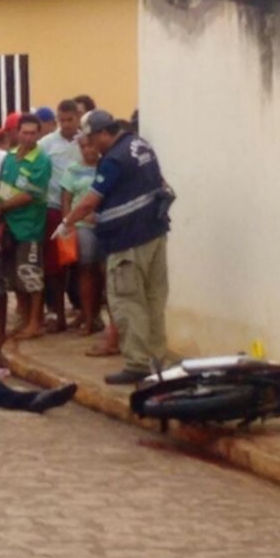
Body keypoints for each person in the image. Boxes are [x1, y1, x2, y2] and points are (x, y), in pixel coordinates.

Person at [57, 110, 175, 385]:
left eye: (90, 139)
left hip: (128, 242)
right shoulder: (140, 144)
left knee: (128, 301)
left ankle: (137, 364)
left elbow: (88, 202)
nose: (90, 146)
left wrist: (67, 222)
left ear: (102, 133)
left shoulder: (113, 160)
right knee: (153, 300)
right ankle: (156, 360)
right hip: (154, 234)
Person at [0, 114, 52, 340]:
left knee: (31, 275)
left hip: (30, 226)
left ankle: (35, 323)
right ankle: (24, 318)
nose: (28, 137)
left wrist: (1, 208)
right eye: (24, 132)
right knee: (14, 275)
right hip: (8, 225)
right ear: (17, 133)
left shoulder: (42, 161)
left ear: (38, 134)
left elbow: (30, 195)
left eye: (32, 133)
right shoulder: (9, 158)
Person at [38, 100, 82, 334]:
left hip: (83, 211)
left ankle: (87, 315)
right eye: (61, 120)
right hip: (54, 209)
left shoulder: (86, 141)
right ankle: (58, 314)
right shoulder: (46, 144)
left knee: (83, 265)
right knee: (55, 267)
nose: (65, 125)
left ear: (78, 117)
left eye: (70, 120)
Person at [61, 133, 105, 343]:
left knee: (104, 273)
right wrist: (68, 225)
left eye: (91, 145)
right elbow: (66, 200)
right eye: (84, 146)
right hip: (82, 226)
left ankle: (100, 318)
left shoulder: (107, 167)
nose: (89, 150)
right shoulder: (72, 171)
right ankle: (88, 318)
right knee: (86, 270)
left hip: (106, 224)